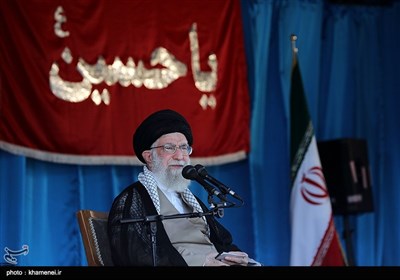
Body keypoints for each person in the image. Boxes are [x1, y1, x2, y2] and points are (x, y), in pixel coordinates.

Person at [108, 109, 258, 266]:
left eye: (184, 147)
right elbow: (135, 256)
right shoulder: (132, 199)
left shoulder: (190, 199)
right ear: (149, 156)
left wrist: (234, 258)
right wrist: (202, 262)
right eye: (169, 147)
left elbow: (222, 241)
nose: (180, 156)